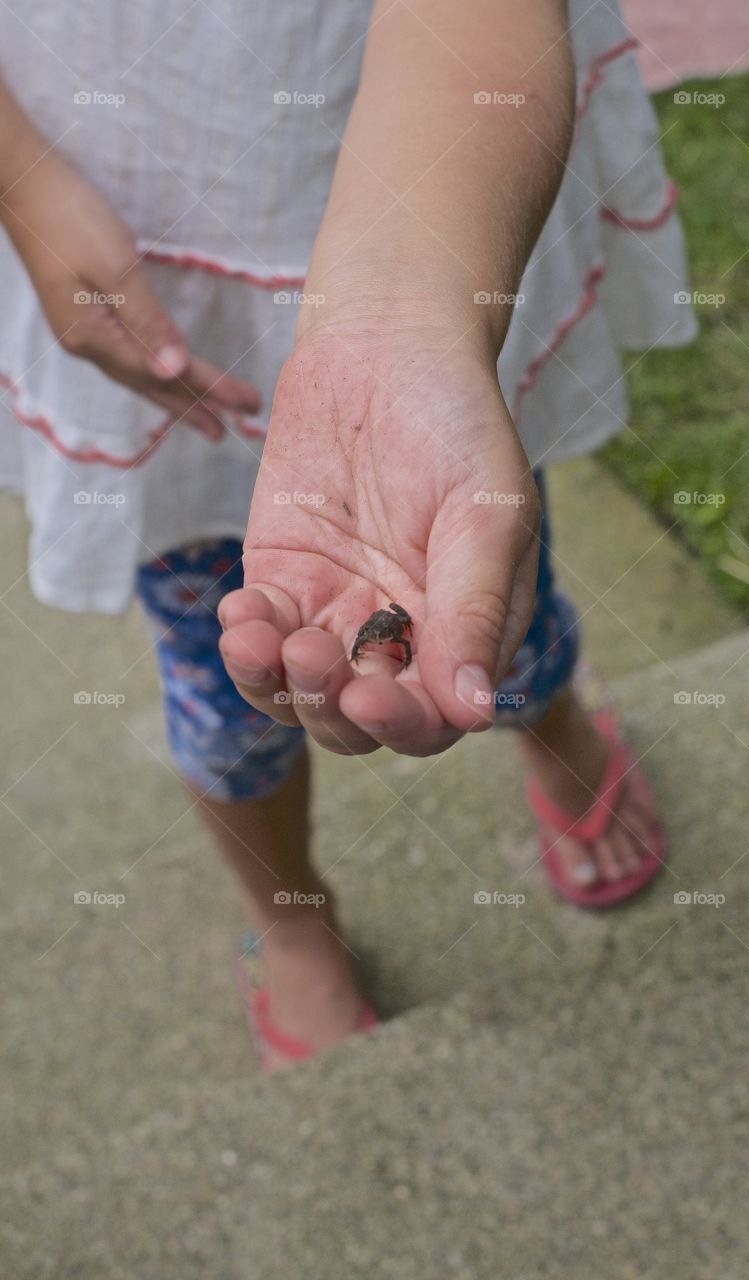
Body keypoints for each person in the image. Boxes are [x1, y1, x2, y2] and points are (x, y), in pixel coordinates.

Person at [0, 0, 696, 1069]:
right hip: (113, 215)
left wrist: (412, 323)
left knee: (484, 557)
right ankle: (288, 909)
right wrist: (24, 183)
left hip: (441, 187)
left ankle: (553, 725)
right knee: (227, 665)